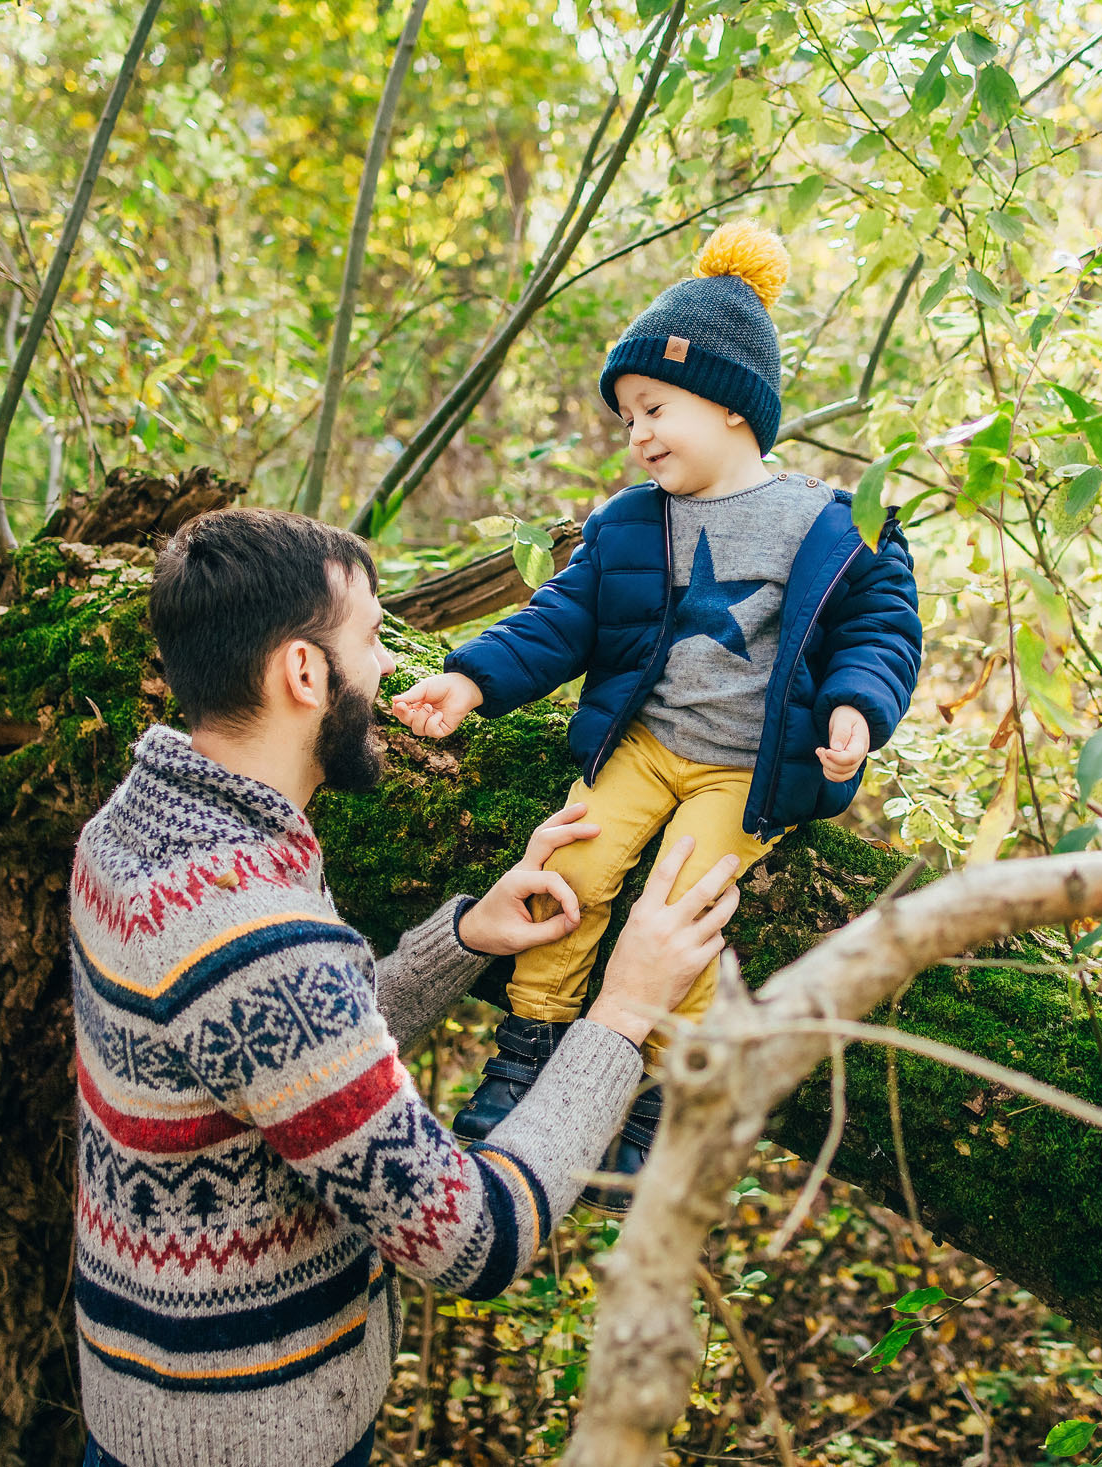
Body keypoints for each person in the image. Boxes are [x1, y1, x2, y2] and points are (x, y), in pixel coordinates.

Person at [69, 507, 741, 1467]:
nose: (388, 666)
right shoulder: (255, 930)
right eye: (375, 637)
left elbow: (275, 1064)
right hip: (259, 1436)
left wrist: (462, 940)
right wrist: (623, 1012)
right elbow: (471, 1237)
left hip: (146, 1405)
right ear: (304, 673)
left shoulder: (134, 835)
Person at [390, 222, 923, 1208]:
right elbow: (561, 618)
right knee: (570, 868)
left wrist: (857, 707)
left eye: (653, 408)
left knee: (676, 911)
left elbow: (881, 629)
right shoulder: (632, 519)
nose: (636, 434)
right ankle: (528, 1056)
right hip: (641, 746)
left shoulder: (835, 522)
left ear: (731, 405)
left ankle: (649, 1106)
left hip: (745, 772)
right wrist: (470, 680)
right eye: (627, 416)